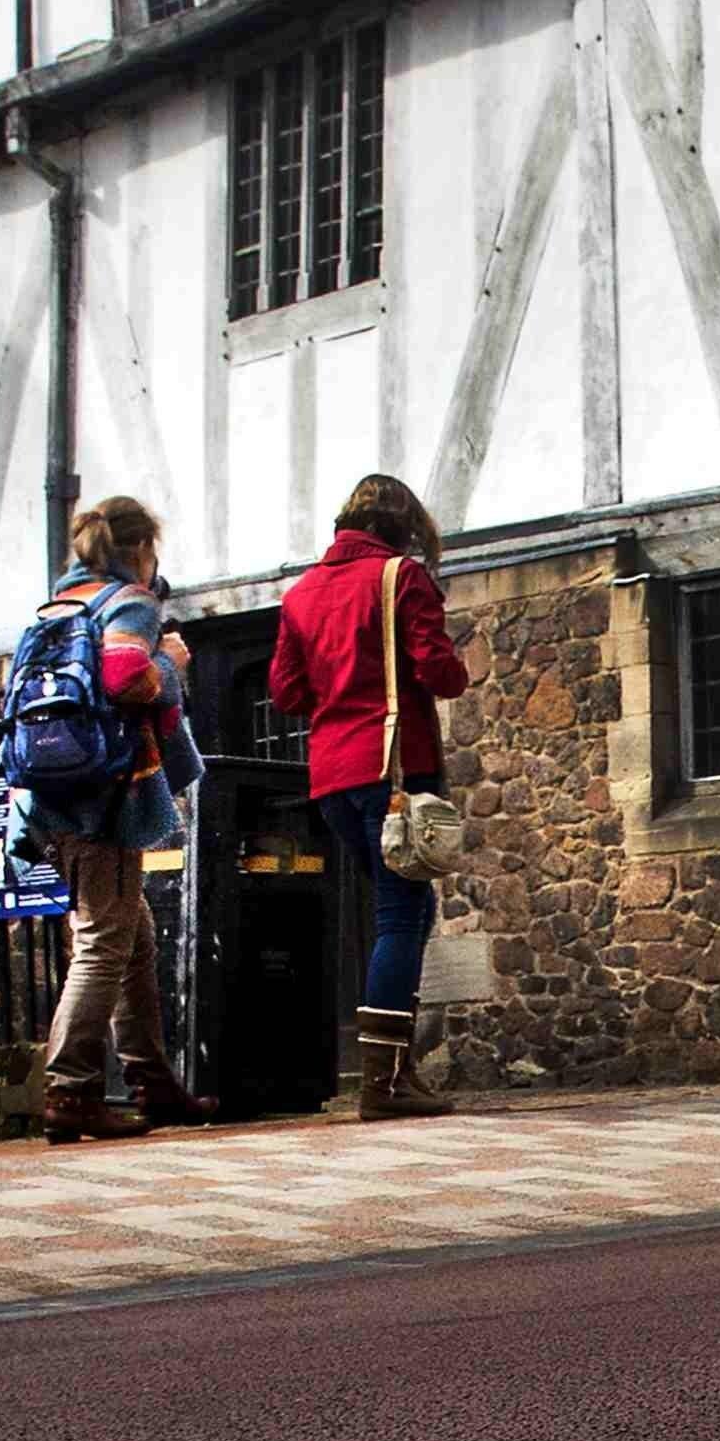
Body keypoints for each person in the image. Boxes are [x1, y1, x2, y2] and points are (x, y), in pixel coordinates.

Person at [268, 472, 469, 1122]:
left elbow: (288, 693)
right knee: (402, 913)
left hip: (332, 777)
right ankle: (384, 1081)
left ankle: (392, 1066)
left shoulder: (300, 594)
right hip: (395, 771)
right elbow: (440, 671)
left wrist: (340, 683)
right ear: (401, 530)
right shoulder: (401, 579)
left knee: (396, 910)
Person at [26, 495, 214, 1144]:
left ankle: (150, 1079)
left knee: (135, 933)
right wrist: (172, 664)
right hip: (104, 797)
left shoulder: (58, 605)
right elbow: (125, 674)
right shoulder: (126, 600)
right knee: (105, 937)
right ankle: (70, 1087)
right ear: (139, 549)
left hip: (55, 792)